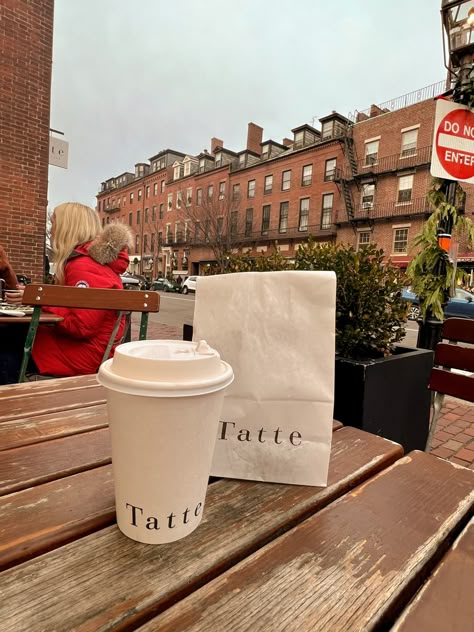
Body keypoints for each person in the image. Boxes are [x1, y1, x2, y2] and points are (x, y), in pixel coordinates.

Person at [1, 202, 133, 383]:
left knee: (5, 353)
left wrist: (40, 299)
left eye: (54, 223)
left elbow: (81, 327)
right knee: (10, 336)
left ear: (67, 228)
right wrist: (38, 296)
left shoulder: (84, 265)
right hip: (80, 350)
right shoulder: (88, 263)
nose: (51, 230)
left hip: (81, 356)